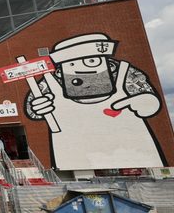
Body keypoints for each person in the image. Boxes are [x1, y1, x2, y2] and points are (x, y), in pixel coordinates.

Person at [24, 32, 164, 170]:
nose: (81, 70)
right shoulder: (50, 83)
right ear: (60, 71)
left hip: (136, 153)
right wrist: (38, 107)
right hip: (74, 156)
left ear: (110, 65)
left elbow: (149, 99)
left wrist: (147, 103)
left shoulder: (125, 74)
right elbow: (32, 109)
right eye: (71, 64)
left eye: (91, 61)